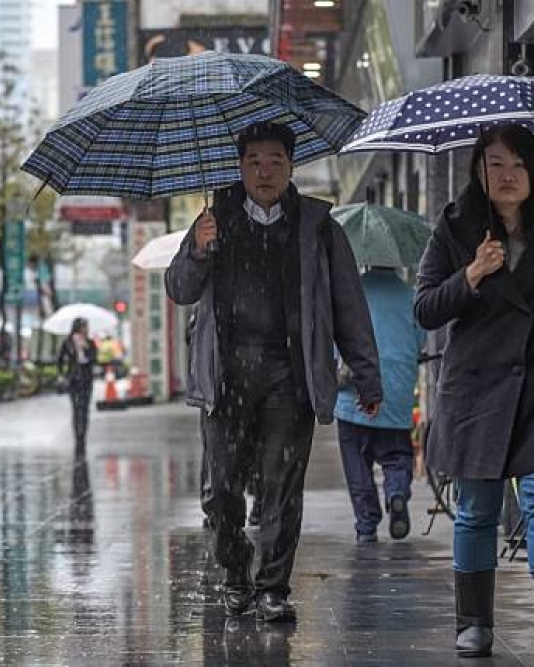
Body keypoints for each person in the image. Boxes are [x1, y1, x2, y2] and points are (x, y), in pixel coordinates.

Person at [165, 120, 382, 622]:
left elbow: (347, 305)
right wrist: (197, 247)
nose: (265, 171)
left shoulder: (317, 226)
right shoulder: (214, 217)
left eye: (276, 161)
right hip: (227, 377)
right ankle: (236, 573)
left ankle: (272, 588)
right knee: (220, 491)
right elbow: (179, 288)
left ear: (291, 166)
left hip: (290, 374)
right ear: (240, 167)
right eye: (255, 161)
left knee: (280, 485)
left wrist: (366, 376)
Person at [415, 123, 534, 663]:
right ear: (478, 170)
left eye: (519, 164)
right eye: (495, 163)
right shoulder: (454, 228)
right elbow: (426, 307)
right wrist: (472, 274)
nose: (507, 175)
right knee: (477, 509)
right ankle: (474, 622)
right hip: (476, 391)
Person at [335, 267, 425, 543]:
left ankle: (366, 523)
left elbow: (335, 337)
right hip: (395, 390)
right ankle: (396, 491)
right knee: (397, 452)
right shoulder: (409, 296)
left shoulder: (350, 292)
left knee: (356, 460)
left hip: (355, 390)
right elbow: (419, 340)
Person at [57, 317, 98, 454]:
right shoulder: (68, 342)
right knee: (75, 408)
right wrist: (62, 374)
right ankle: (77, 435)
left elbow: (94, 358)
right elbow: (60, 359)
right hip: (74, 379)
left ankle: (83, 436)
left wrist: (86, 349)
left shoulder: (90, 343)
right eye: (85, 326)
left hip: (86, 379)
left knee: (85, 408)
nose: (87, 329)